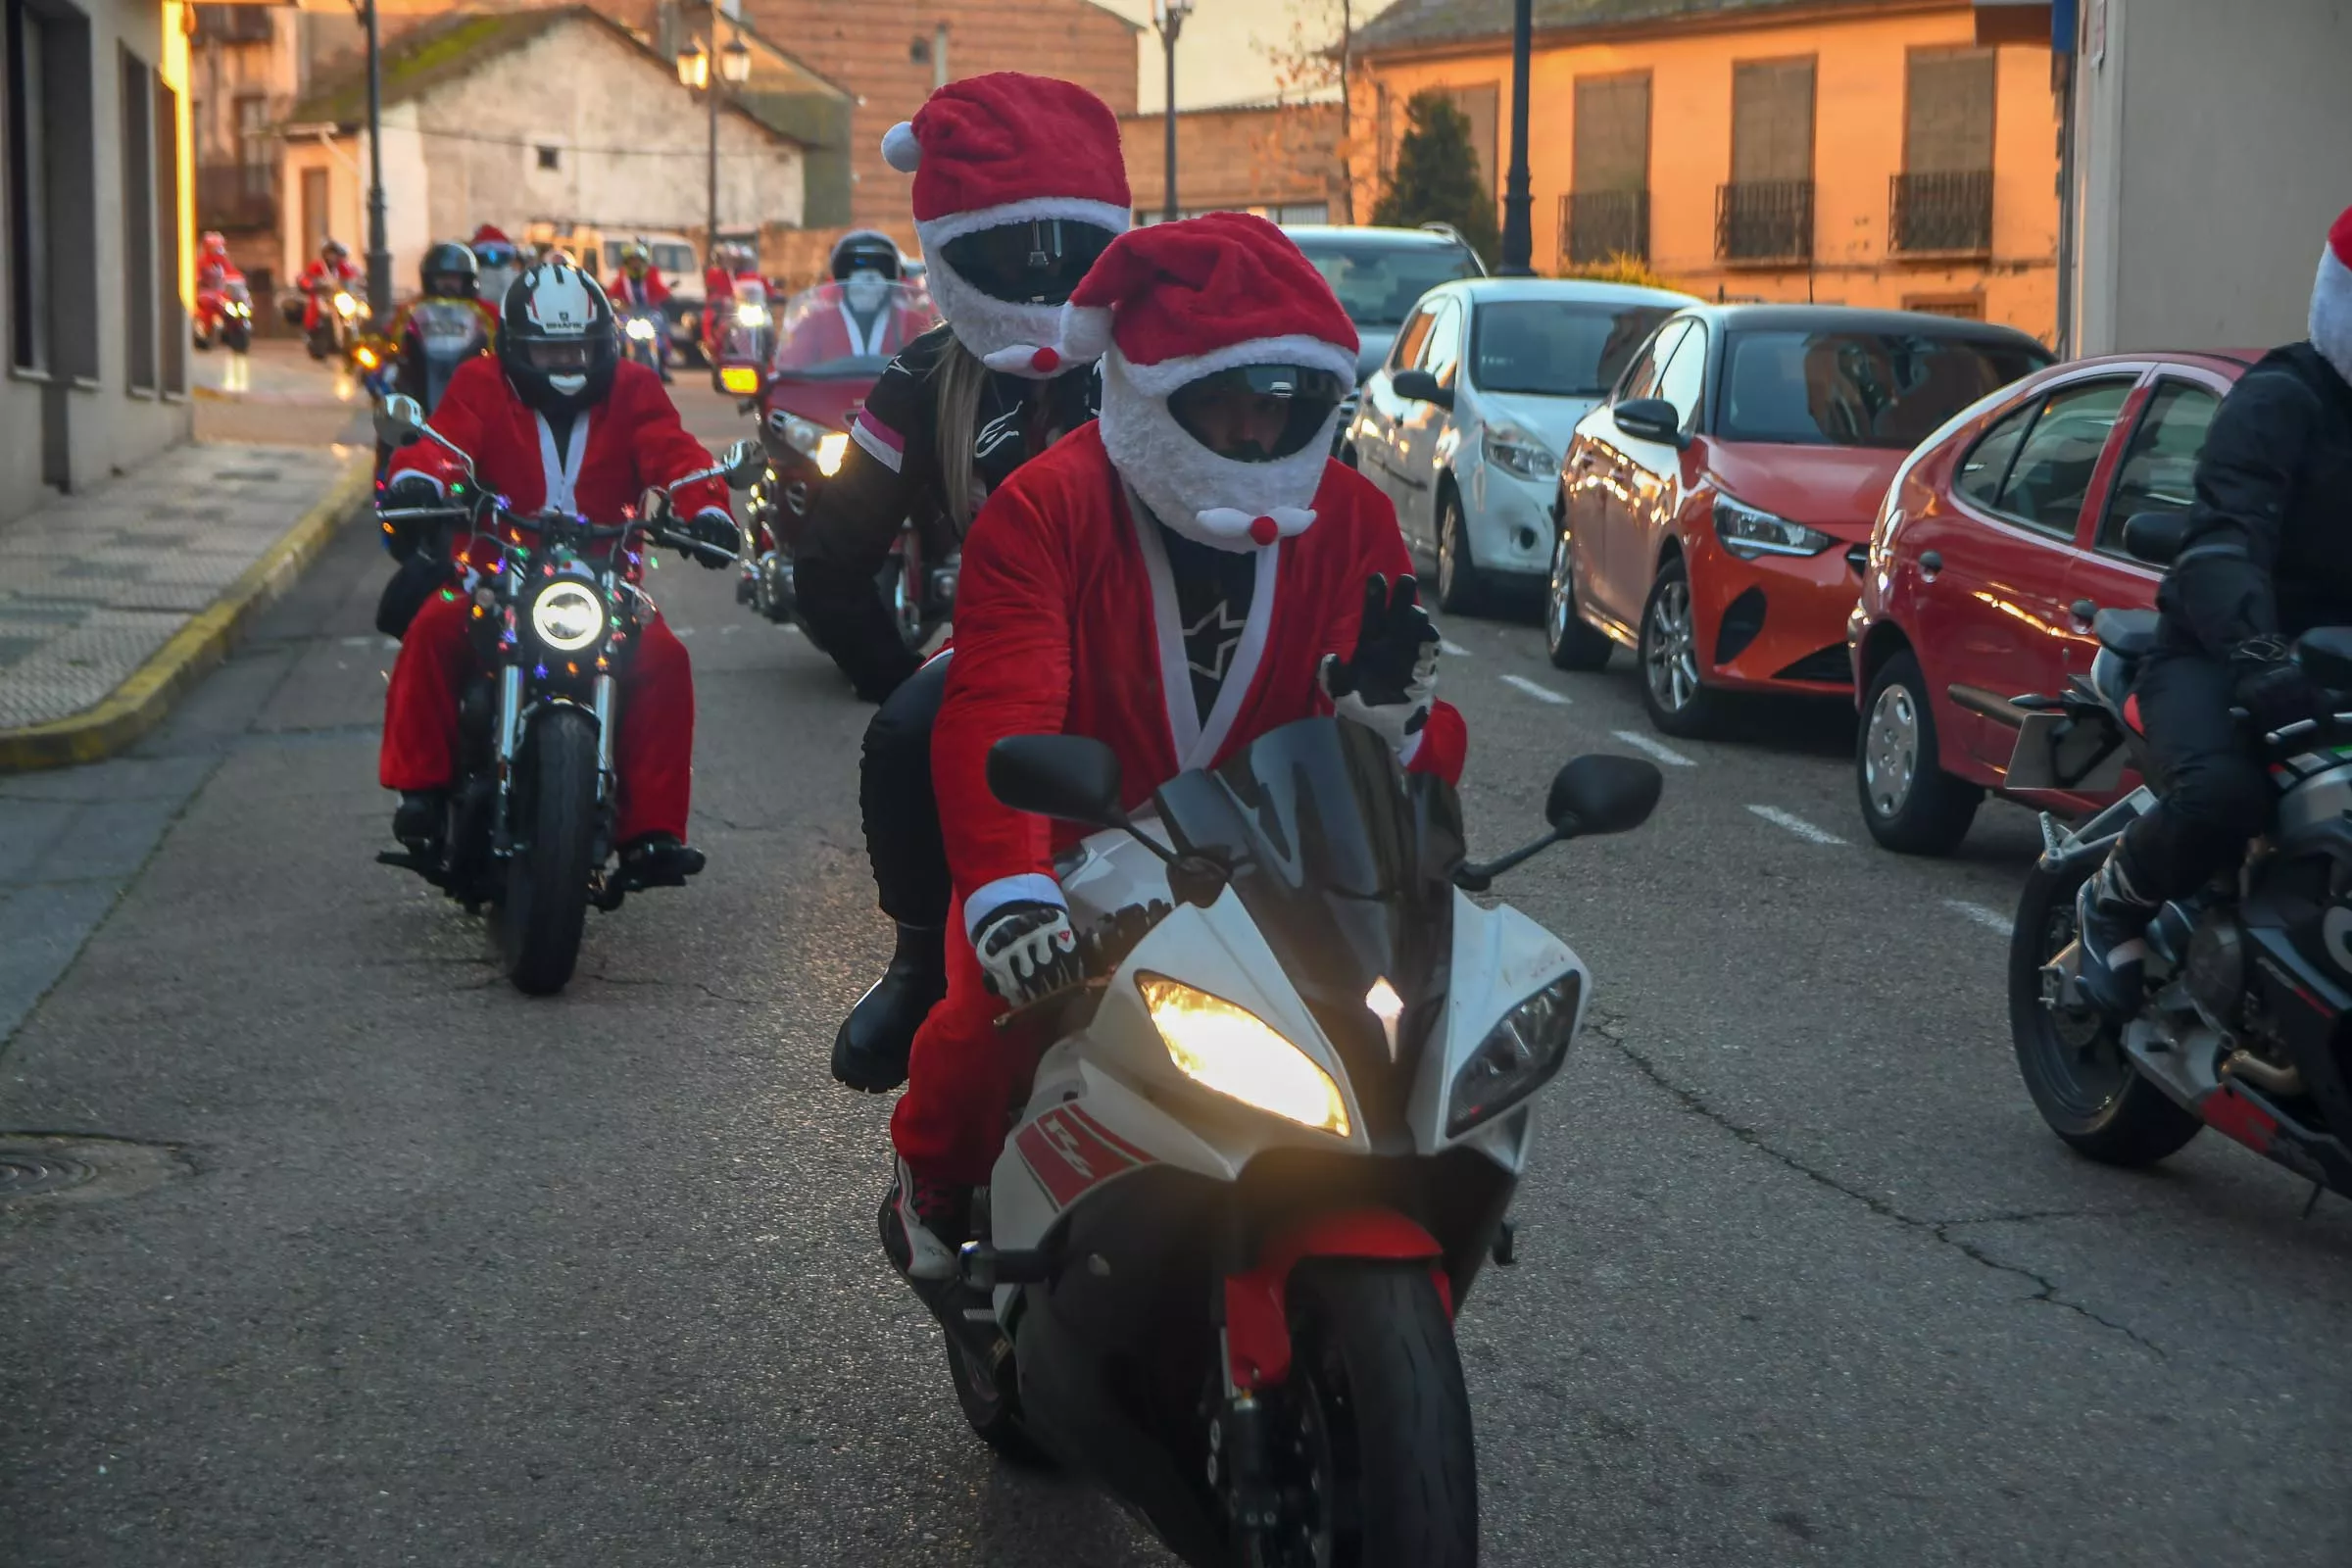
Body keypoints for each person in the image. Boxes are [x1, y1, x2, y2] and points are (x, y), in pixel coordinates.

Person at [880, 212, 1470, 1277]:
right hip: (1077, 840)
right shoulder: (1045, 510)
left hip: (1283, 846)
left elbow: (1395, 754)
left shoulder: (1350, 519)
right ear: (1151, 388)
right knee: (981, 1007)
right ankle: (936, 1177)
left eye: (1284, 404)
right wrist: (1011, 887)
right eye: (1227, 397)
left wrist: (1393, 728)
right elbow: (999, 707)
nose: (1254, 432)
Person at [798, 74, 1130, 1096]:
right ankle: (913, 960)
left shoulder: (1160, 357)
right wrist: (891, 665)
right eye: (1011, 248)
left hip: (1165, 638)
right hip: (1001, 648)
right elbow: (834, 548)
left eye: (1062, 249)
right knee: (904, 731)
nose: (1039, 274)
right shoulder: (920, 376)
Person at [374, 263, 741, 886]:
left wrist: (704, 508)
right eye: (547, 348)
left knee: (663, 659)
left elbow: (672, 449)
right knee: (434, 626)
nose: (563, 360)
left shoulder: (633, 387)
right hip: (493, 570)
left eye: (576, 346)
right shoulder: (481, 383)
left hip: (605, 577)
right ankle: (421, 793)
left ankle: (650, 833)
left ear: (601, 344)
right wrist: (419, 476)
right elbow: (446, 442)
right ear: (518, 347)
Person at [2075, 203, 2352, 1016]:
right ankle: (2113, 902)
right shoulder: (2280, 400)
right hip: (2221, 652)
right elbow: (2225, 539)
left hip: (2341, 669)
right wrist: (2259, 654)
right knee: (2224, 793)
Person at [768, 228, 934, 372]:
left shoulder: (914, 322)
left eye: (879, 270)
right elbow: (792, 372)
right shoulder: (814, 323)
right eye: (857, 271)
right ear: (842, 280)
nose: (867, 281)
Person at [610, 239, 672, 381]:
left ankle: (663, 365)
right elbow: (613, 294)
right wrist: (617, 304)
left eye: (638, 261)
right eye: (632, 261)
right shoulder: (622, 278)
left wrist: (666, 293)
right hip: (629, 315)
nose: (635, 264)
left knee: (661, 329)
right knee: (616, 335)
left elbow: (660, 291)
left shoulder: (651, 275)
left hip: (648, 314)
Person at [298, 237, 363, 334]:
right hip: (323, 297)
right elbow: (306, 278)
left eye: (334, 254)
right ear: (325, 254)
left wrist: (360, 282)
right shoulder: (317, 266)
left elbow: (352, 276)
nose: (332, 257)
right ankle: (313, 329)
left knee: (357, 310)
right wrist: (311, 284)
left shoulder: (342, 266)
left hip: (339, 297)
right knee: (315, 305)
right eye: (330, 254)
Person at [470, 225, 522, 305]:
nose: (493, 259)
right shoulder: (472, 280)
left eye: (500, 256)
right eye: (488, 255)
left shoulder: (514, 277)